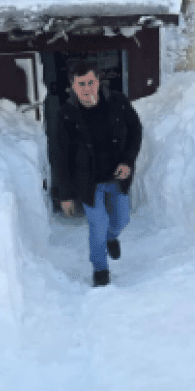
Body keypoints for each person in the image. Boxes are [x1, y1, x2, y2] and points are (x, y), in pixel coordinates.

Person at [50, 59, 143, 287]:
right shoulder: (66, 115)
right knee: (98, 226)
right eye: (81, 84)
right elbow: (60, 157)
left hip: (117, 177)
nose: (87, 89)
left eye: (91, 82)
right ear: (72, 85)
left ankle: (112, 237)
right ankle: (100, 269)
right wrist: (65, 194)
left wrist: (128, 161)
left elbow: (136, 130)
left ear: (99, 81)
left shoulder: (117, 102)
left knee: (121, 219)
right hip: (88, 182)